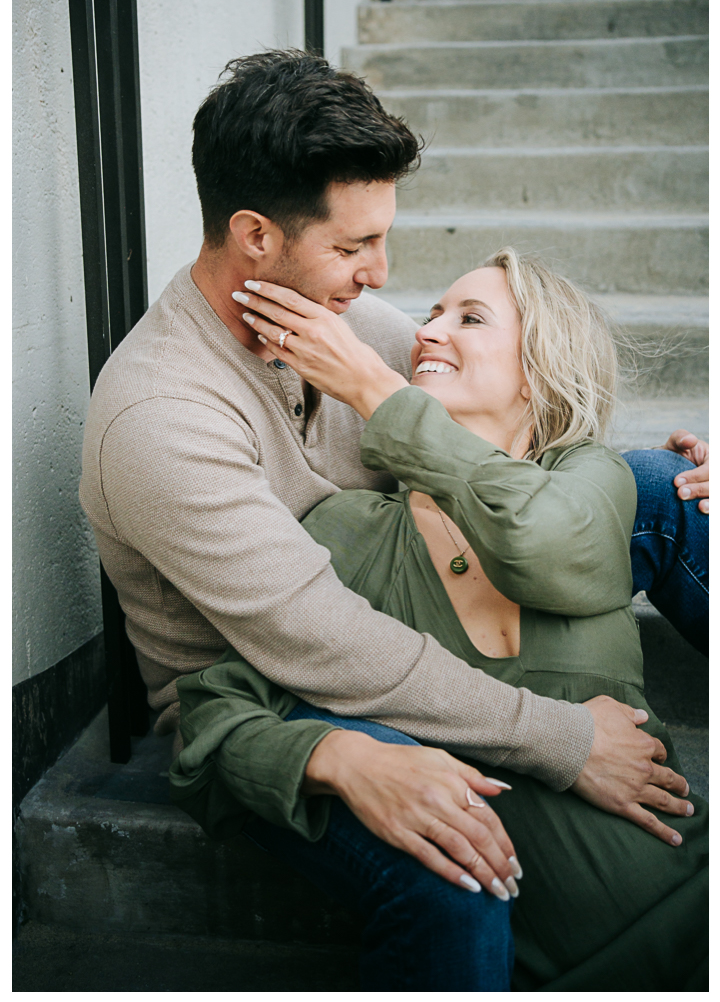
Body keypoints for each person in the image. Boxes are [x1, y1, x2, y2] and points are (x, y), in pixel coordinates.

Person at [79, 50, 707, 990]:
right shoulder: (160, 419)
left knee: (663, 492)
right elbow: (319, 642)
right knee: (451, 851)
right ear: (254, 234)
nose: (381, 277)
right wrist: (564, 737)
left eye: (383, 239)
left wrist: (654, 476)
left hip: (398, 587)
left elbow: (507, 421)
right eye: (353, 247)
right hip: (273, 697)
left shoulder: (332, 312)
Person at [171, 249, 708, 990]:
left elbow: (540, 540)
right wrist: (341, 760)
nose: (426, 334)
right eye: (430, 316)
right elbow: (211, 719)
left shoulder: (594, 478)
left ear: (541, 367)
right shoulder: (350, 530)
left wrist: (373, 388)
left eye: (470, 317)